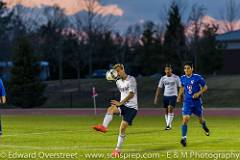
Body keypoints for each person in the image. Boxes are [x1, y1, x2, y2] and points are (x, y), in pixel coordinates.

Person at [93, 64, 138, 157]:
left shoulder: (131, 79)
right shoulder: (118, 82)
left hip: (132, 108)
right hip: (123, 105)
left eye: (118, 71)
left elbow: (131, 94)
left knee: (122, 130)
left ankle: (117, 150)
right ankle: (103, 127)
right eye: (115, 72)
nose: (117, 73)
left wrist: (120, 103)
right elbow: (123, 92)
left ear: (123, 69)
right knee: (111, 108)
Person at [177, 62, 210, 147]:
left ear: (192, 69)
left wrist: (199, 93)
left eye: (188, 68)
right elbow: (182, 87)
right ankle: (183, 138)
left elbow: (205, 87)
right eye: (185, 68)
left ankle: (204, 126)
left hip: (197, 103)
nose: (186, 70)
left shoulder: (197, 77)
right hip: (187, 102)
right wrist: (179, 95)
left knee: (200, 120)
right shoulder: (182, 78)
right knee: (185, 119)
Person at [154, 64, 181, 130]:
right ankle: (169, 125)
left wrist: (180, 96)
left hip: (173, 95)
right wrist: (156, 97)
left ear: (171, 70)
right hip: (165, 96)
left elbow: (180, 87)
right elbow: (159, 88)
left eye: (169, 69)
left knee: (170, 108)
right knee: (166, 111)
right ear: (165, 71)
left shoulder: (176, 77)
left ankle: (168, 126)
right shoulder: (163, 78)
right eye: (166, 69)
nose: (168, 71)